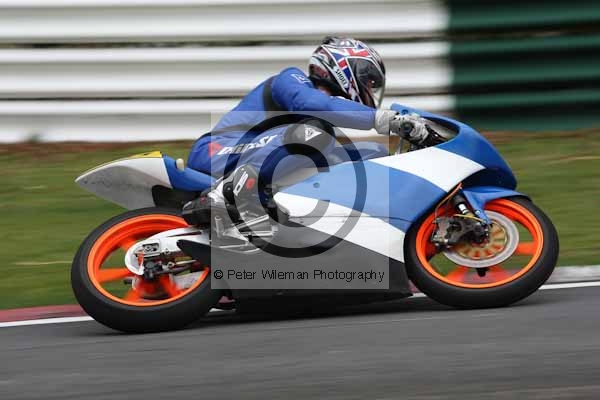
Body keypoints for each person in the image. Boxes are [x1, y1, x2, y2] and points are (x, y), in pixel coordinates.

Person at [183, 36, 429, 226]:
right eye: (369, 81)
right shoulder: (291, 79)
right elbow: (315, 104)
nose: (369, 89)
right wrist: (382, 119)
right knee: (315, 132)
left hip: (252, 153)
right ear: (344, 67)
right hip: (215, 152)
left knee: (369, 152)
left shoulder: (320, 125)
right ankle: (226, 194)